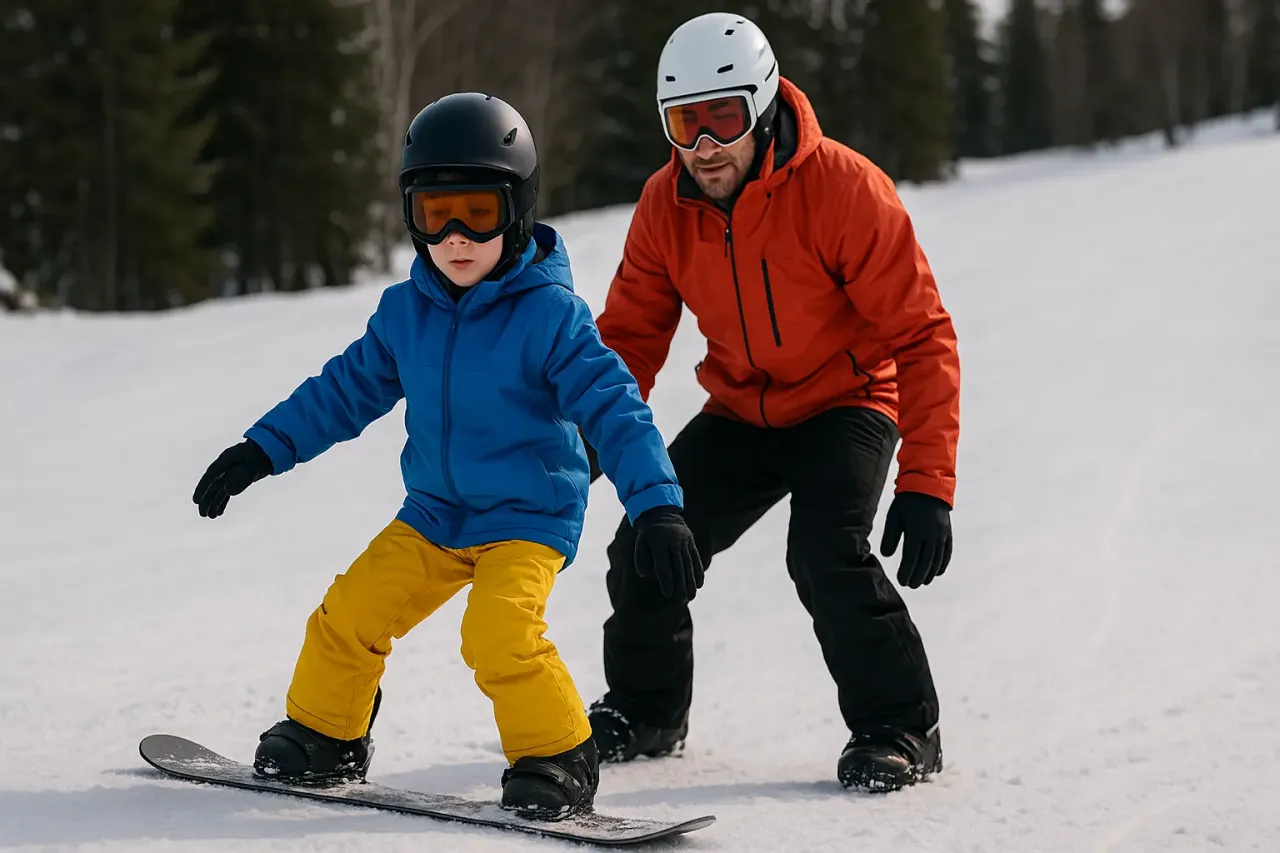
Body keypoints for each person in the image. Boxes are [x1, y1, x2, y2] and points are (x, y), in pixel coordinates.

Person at [190, 92, 702, 820]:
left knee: (498, 634)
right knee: (347, 613)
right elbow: (345, 390)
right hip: (434, 514)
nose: (456, 235)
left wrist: (657, 505)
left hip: (527, 516)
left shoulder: (551, 317)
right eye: (435, 214)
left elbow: (616, 409)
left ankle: (558, 753)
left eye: (478, 212)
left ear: (517, 210)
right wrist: (263, 447)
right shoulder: (408, 311)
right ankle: (327, 734)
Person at [581, 13, 962, 793]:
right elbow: (628, 339)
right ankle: (649, 711)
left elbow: (922, 335)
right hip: (741, 410)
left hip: (848, 399)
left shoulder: (844, 188)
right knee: (648, 540)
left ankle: (899, 727)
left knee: (824, 549)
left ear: (760, 106)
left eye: (723, 116)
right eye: (685, 122)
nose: (705, 144)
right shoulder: (665, 205)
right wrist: (586, 442)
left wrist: (928, 483)